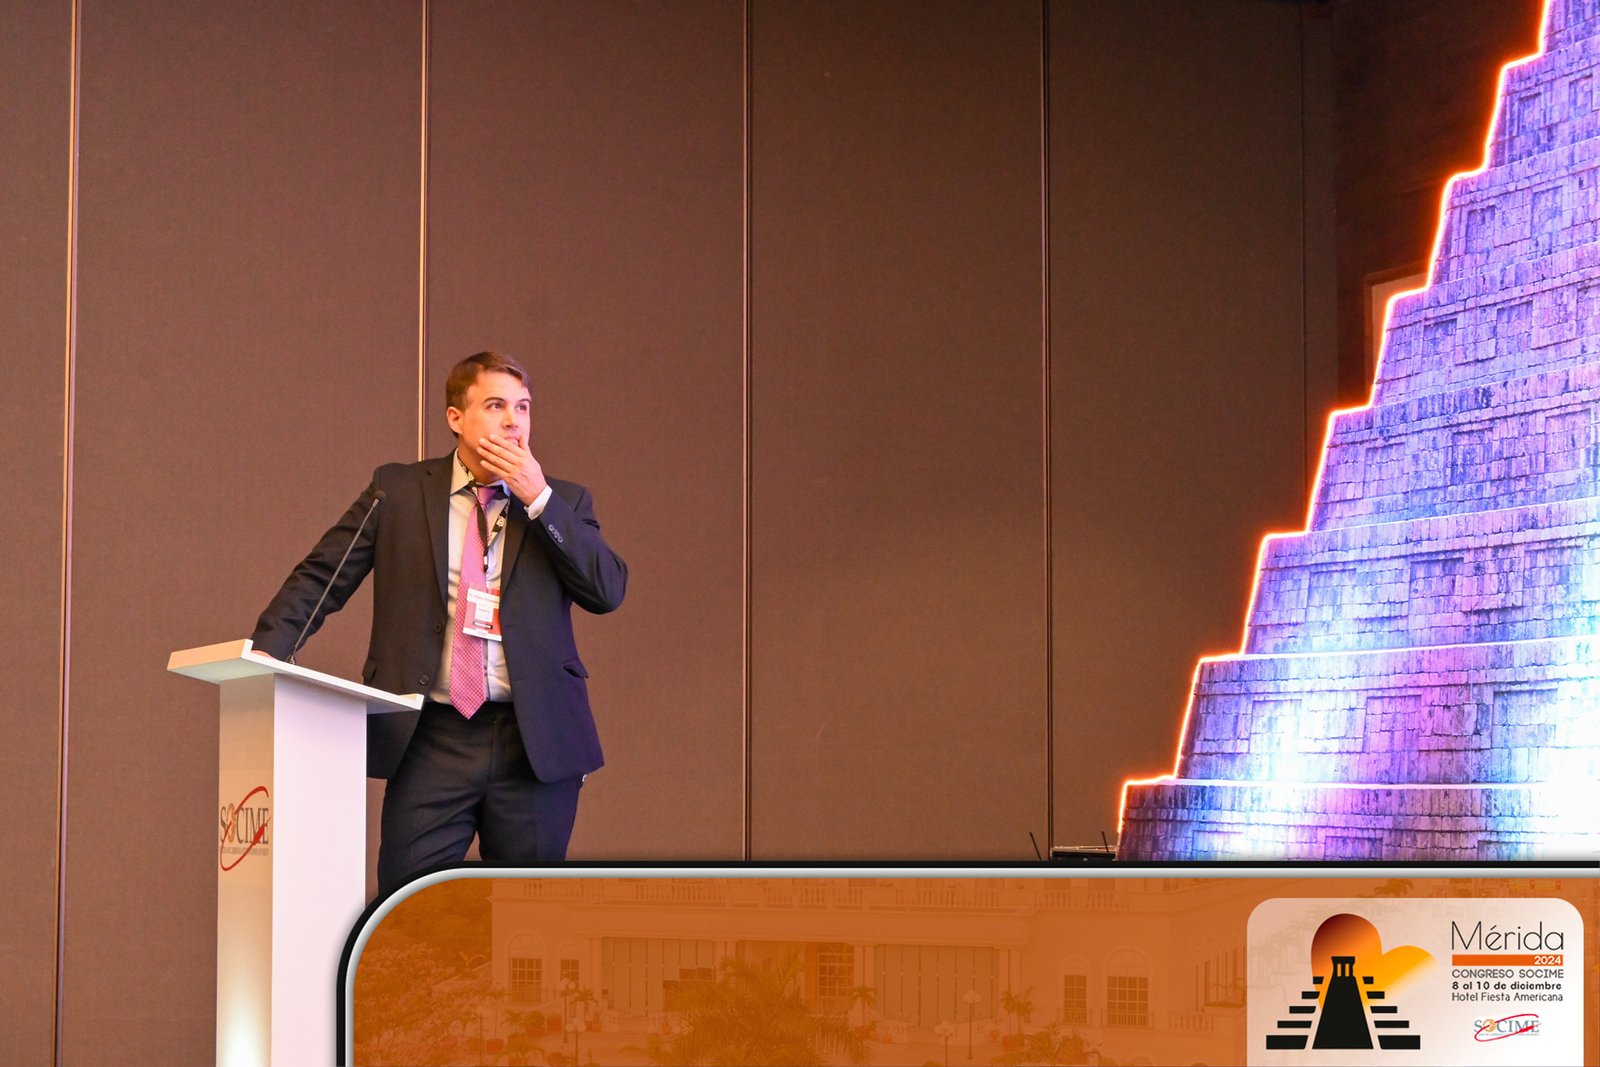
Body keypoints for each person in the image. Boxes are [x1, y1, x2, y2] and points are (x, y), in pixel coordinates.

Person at [250, 351, 626, 893]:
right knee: (409, 912)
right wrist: (268, 650)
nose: (513, 421)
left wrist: (538, 499)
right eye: (495, 406)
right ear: (456, 417)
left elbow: (607, 591)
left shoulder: (562, 501)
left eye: (522, 407)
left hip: (533, 741)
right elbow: (325, 574)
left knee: (526, 918)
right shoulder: (399, 491)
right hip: (431, 735)